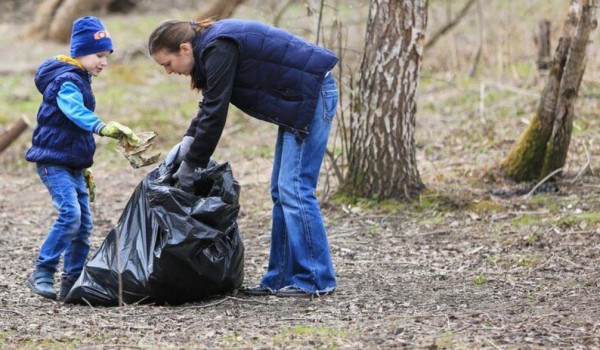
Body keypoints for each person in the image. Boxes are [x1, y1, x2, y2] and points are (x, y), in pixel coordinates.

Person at [148, 19, 339, 297]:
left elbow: (216, 110)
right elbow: (211, 102)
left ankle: (315, 279)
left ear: (185, 49)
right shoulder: (213, 47)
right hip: (299, 100)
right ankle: (281, 277)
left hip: (312, 96)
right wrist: (187, 144)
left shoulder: (218, 46)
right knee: (281, 190)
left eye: (167, 63)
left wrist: (193, 164)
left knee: (295, 188)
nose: (168, 71)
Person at [25, 16, 139, 301]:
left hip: (71, 164)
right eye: (99, 55)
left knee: (84, 224)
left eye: (107, 56)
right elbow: (74, 111)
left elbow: (72, 131)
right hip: (53, 163)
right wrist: (102, 126)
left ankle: (73, 282)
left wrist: (83, 168)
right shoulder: (66, 81)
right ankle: (42, 270)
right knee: (71, 215)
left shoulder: (81, 77)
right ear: (80, 51)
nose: (104, 62)